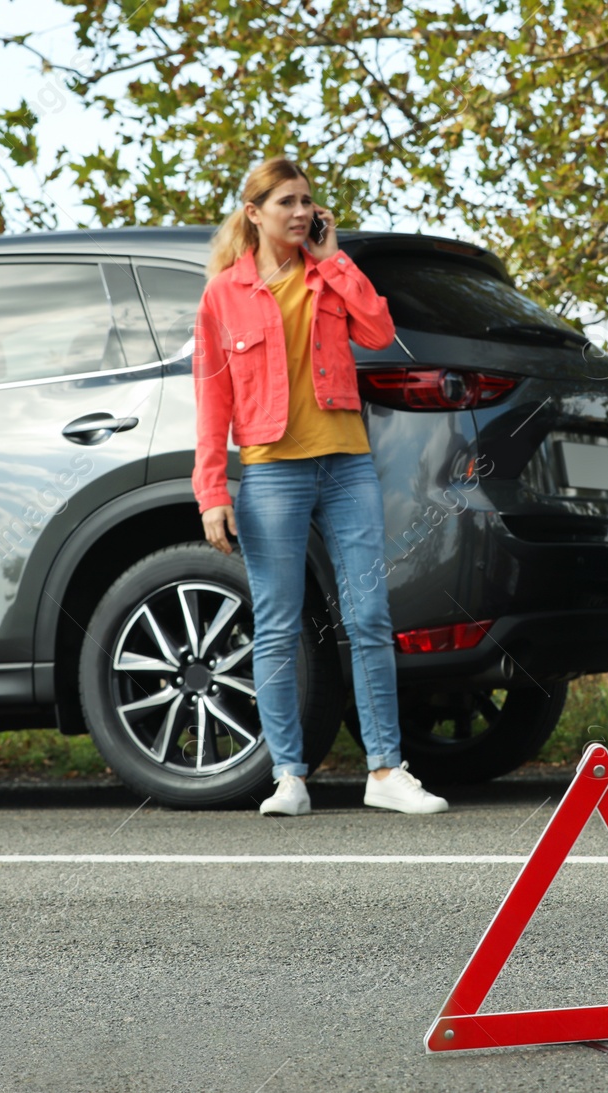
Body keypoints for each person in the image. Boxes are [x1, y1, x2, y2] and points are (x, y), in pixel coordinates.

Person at [192, 156, 449, 818]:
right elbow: (211, 398)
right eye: (287, 202)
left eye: (308, 200)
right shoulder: (224, 295)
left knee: (368, 617)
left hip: (347, 463)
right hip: (271, 470)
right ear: (254, 213)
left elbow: (380, 331)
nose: (302, 211)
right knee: (276, 625)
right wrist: (211, 490)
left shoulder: (328, 278)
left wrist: (336, 261)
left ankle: (386, 770)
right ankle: (288, 776)